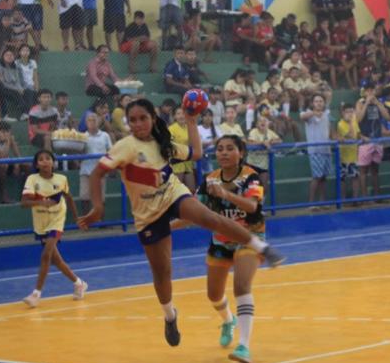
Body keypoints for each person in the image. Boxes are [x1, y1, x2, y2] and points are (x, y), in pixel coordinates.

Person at [77, 98, 285, 347]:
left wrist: (191, 120)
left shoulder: (163, 143)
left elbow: (196, 154)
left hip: (173, 194)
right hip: (147, 215)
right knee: (162, 272)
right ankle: (170, 315)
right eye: (132, 120)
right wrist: (97, 207)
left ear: (153, 119)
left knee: (209, 217)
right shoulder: (125, 146)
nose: (138, 123)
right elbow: (98, 172)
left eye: (143, 118)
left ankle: (262, 247)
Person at [195, 135, 266, 363]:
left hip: (249, 237)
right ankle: (228, 319)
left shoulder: (250, 177)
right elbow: (194, 212)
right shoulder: (209, 180)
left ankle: (243, 346)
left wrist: (226, 195)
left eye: (229, 149)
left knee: (241, 285)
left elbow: (252, 206)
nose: (224, 153)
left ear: (241, 153)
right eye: (220, 149)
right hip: (220, 242)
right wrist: (165, 226)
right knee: (213, 294)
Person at [21, 149, 88, 307]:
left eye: (48, 158)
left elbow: (69, 198)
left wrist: (77, 217)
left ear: (53, 162)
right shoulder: (32, 179)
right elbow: (24, 203)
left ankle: (36, 294)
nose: (45, 161)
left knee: (46, 255)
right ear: (36, 164)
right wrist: (41, 202)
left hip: (57, 219)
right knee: (56, 260)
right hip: (41, 221)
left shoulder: (61, 179)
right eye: (41, 159)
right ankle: (79, 283)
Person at [302, 94, 332, 206]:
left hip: (326, 150)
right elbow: (302, 117)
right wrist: (314, 112)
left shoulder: (326, 115)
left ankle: (323, 202)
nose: (319, 103)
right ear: (312, 103)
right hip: (315, 151)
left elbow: (330, 130)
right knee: (316, 177)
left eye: (321, 101)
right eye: (316, 101)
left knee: (323, 177)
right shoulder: (309, 115)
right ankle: (311, 203)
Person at [79, 112, 113, 213]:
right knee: (85, 196)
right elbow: (79, 152)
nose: (92, 122)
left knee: (101, 197)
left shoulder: (105, 135)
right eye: (89, 120)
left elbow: (110, 151)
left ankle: (101, 222)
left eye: (94, 120)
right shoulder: (82, 136)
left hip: (100, 171)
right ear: (86, 122)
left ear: (98, 121)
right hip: (86, 170)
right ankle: (86, 223)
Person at [0, 120, 24, 203]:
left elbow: (19, 157)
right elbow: (2, 156)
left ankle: (26, 194)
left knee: (26, 165)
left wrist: (17, 164)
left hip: (5, 165)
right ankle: (3, 196)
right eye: (3, 132)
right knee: (3, 165)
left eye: (7, 132)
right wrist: (8, 141)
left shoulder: (10, 138)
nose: (5, 134)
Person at [0, 48, 35, 120]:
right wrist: (16, 89)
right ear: (2, 57)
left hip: (15, 89)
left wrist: (20, 89)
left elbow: (17, 81)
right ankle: (23, 110)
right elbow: (2, 83)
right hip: (4, 89)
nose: (9, 56)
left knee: (29, 91)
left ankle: (26, 113)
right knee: (16, 93)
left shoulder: (15, 67)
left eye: (11, 55)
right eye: (7, 55)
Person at [336, 102, 361, 200]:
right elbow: (350, 135)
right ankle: (343, 199)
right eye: (347, 112)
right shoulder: (340, 124)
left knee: (355, 177)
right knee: (343, 179)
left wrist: (363, 137)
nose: (350, 114)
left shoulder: (354, 122)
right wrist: (351, 122)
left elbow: (357, 134)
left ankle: (355, 199)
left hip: (353, 155)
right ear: (343, 113)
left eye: (352, 111)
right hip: (343, 157)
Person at [168, 106, 195, 192]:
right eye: (178, 114)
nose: (181, 116)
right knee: (178, 191)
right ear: (175, 116)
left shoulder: (190, 127)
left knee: (191, 190)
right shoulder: (171, 129)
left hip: (188, 161)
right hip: (177, 162)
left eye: (183, 113)